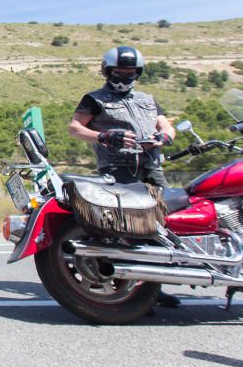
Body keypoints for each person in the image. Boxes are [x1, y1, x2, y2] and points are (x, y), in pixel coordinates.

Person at [67, 45, 180, 308]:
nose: (123, 78)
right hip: (117, 168)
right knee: (129, 227)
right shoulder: (94, 99)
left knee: (164, 221)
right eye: (118, 72)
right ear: (107, 71)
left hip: (150, 166)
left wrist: (164, 137)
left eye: (130, 73)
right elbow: (75, 128)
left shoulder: (147, 99)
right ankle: (135, 287)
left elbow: (166, 125)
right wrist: (104, 136)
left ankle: (156, 283)